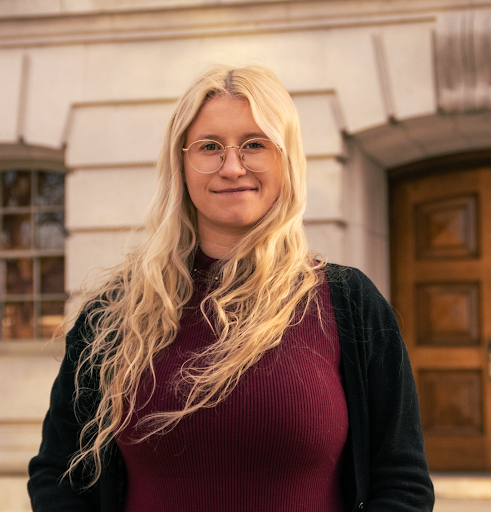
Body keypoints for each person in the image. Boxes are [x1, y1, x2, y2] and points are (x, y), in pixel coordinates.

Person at [28, 65, 435, 512]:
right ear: (181, 165)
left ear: (286, 159)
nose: (232, 166)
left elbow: (402, 483)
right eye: (209, 148)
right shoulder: (115, 315)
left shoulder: (350, 304)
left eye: (255, 145)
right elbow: (58, 476)